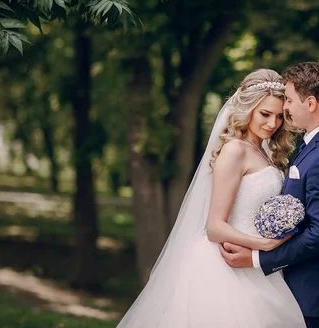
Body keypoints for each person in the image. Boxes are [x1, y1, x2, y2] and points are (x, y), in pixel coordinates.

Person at [116, 69, 306, 327]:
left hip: (256, 265)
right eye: (264, 114)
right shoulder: (234, 151)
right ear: (247, 110)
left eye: (279, 116)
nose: (272, 124)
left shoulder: (265, 153)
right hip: (225, 264)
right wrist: (261, 245)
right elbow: (215, 228)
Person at [219, 61, 319, 328]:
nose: (285, 107)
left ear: (310, 103)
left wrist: (258, 258)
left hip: (315, 298)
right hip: (291, 291)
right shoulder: (314, 144)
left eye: (290, 101)